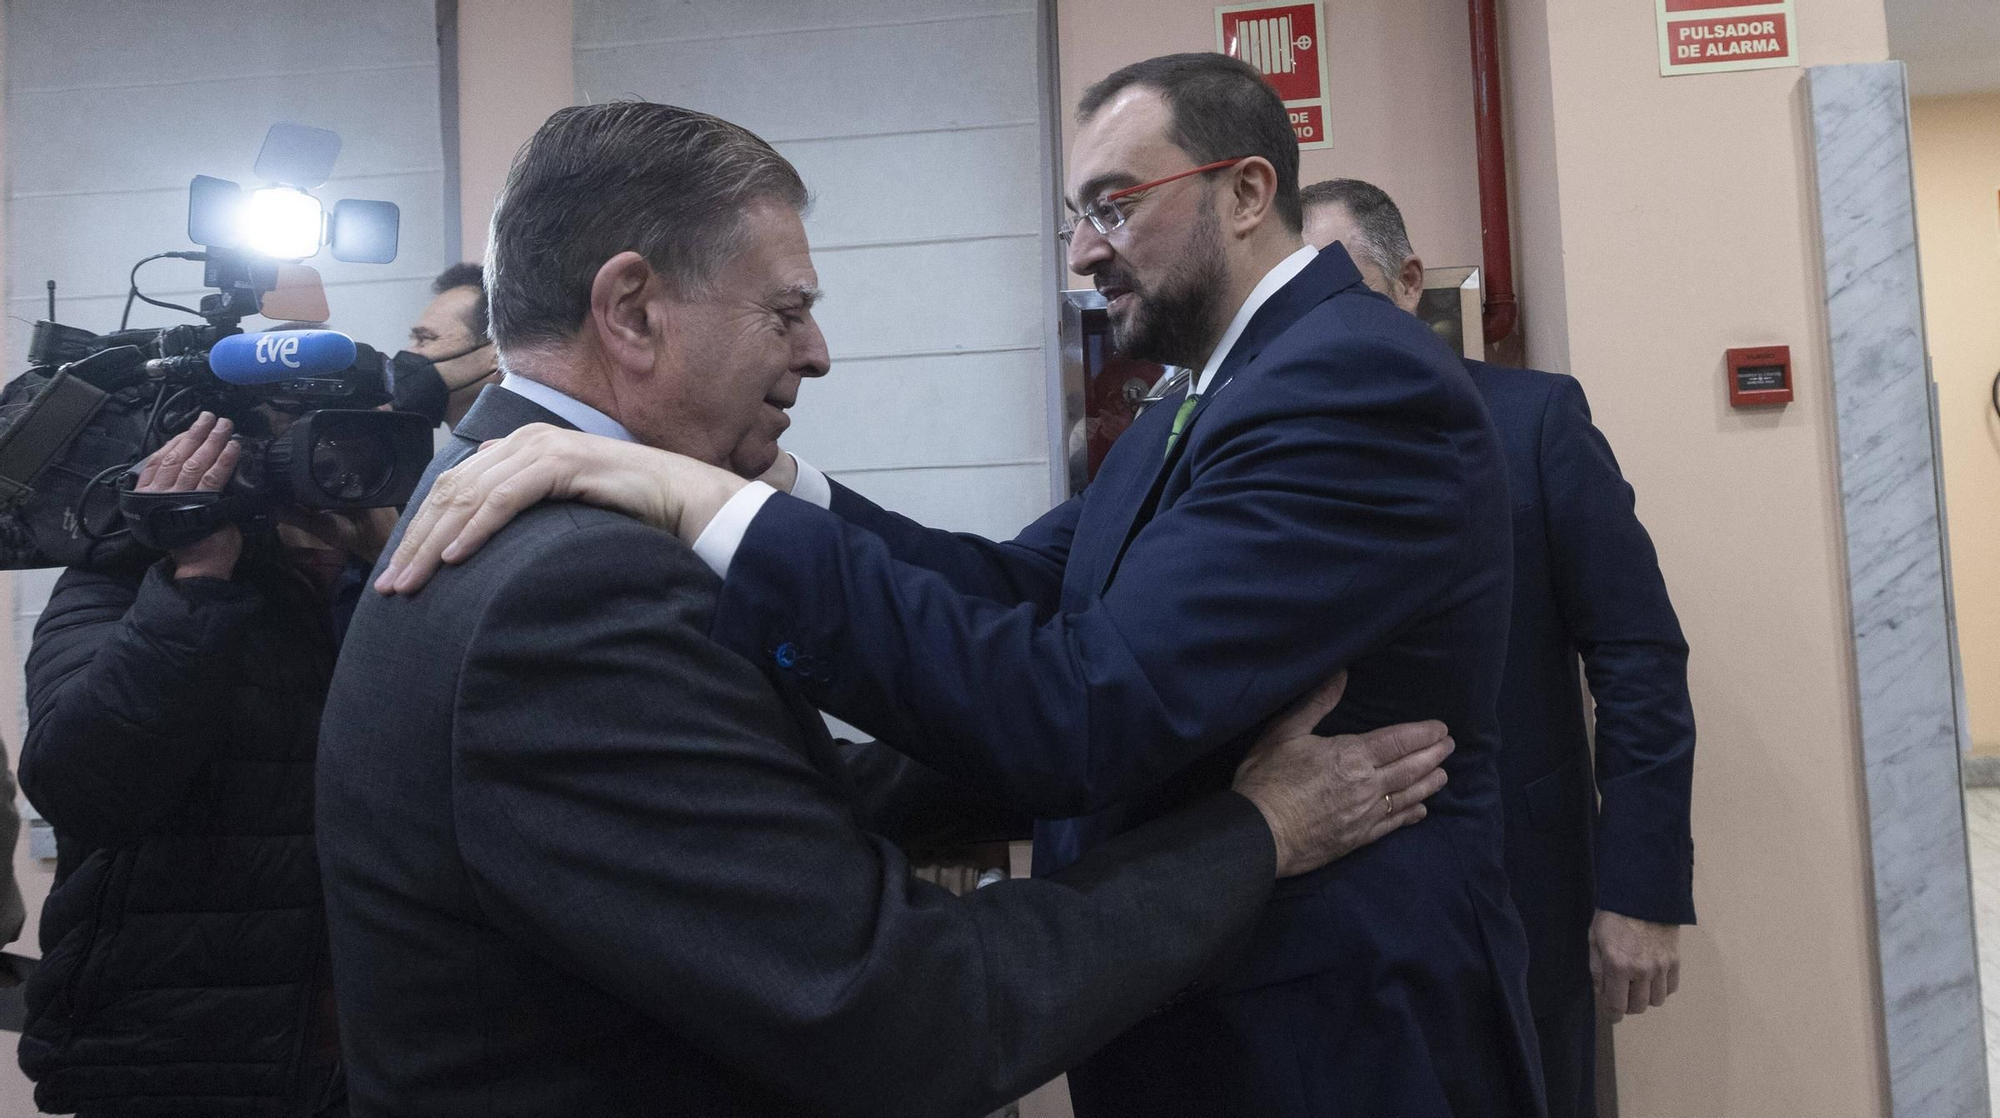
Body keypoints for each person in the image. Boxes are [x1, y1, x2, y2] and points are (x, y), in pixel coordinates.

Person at [384, 55, 1543, 1118]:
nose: (1084, 249)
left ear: (1245, 192)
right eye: (1076, 215)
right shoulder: (1204, 389)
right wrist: (774, 486)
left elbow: (1083, 703)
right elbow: (1024, 585)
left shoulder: (1348, 381)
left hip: (1338, 1031)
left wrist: (701, 502)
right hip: (1216, 1007)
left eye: (1113, 203)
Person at [1300, 177, 1698, 1118]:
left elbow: (1637, 655)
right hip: (1330, 904)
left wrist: (1640, 887)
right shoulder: (1273, 449)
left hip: (1523, 892)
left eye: (1334, 282)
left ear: (1407, 283)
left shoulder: (1535, 421)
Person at [17, 410, 393, 1117]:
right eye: (268, 452)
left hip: (374, 1059)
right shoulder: (120, 582)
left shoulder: (391, 577)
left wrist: (394, 556)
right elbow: (81, 786)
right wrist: (196, 576)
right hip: (171, 1060)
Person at [388, 262, 498, 428]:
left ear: (497, 355)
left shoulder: (536, 449)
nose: (408, 351)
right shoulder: (463, 452)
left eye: (425, 339)